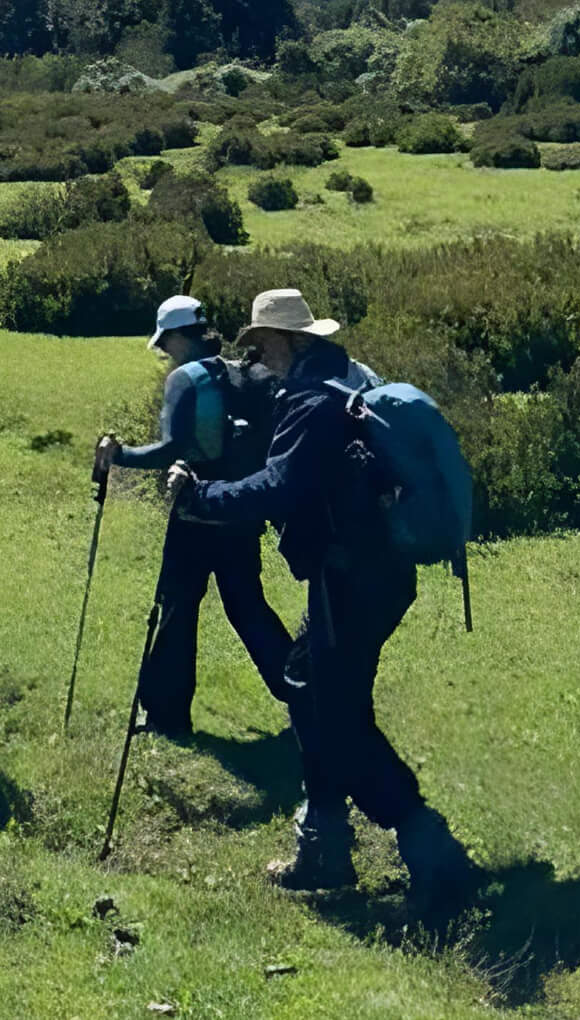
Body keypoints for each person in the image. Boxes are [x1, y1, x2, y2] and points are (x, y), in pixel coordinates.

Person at [167, 289, 472, 913]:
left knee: (332, 714)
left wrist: (202, 496)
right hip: (374, 574)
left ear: (290, 342)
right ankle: (323, 845)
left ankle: (430, 847)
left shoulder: (311, 400)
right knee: (316, 695)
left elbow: (280, 485)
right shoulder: (348, 377)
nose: (258, 357)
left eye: (263, 345)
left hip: (349, 580)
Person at [97, 294, 293, 737]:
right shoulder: (253, 374)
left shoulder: (186, 379)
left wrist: (120, 455)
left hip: (193, 513)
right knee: (248, 608)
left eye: (164, 342)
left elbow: (170, 450)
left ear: (177, 337)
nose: (164, 352)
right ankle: (305, 693)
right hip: (241, 510)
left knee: (178, 610)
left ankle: (167, 717)